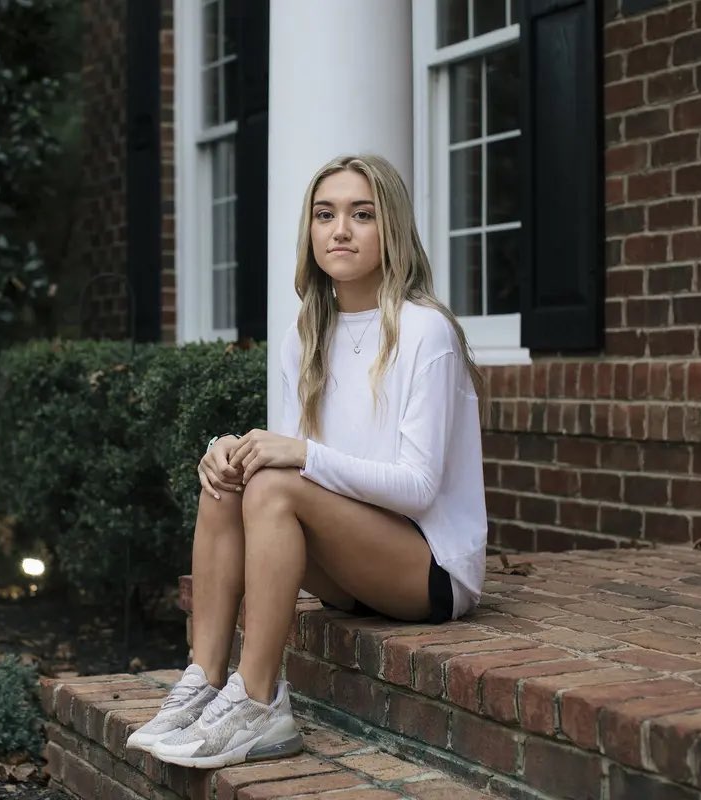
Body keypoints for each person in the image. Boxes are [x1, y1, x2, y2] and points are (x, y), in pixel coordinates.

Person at [126, 154, 487, 769]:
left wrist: (298, 454)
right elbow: (286, 462)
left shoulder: (426, 332)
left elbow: (419, 488)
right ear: (310, 231)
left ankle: (261, 701)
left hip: (428, 569)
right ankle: (205, 680)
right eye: (325, 215)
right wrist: (233, 454)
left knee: (273, 487)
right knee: (233, 483)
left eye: (361, 214)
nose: (339, 229)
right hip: (350, 564)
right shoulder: (303, 333)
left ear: (390, 228)